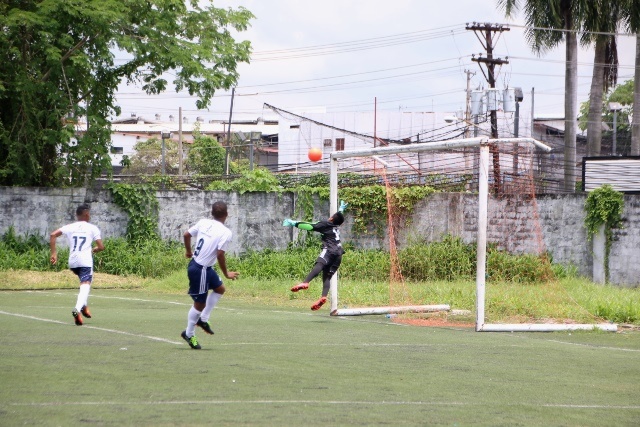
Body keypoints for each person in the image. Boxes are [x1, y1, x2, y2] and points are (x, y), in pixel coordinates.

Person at [181, 201, 239, 350]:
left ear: (212, 213)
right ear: (227, 214)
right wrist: (226, 273)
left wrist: (188, 251)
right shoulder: (226, 232)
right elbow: (220, 254)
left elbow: (186, 234)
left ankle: (203, 319)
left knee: (220, 289)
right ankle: (189, 333)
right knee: (199, 304)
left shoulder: (203, 222)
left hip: (204, 267)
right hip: (200, 269)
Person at [282, 201, 347, 311]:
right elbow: (338, 217)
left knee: (320, 264)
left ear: (331, 219)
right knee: (327, 276)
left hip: (329, 250)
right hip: (339, 254)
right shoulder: (336, 225)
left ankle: (306, 282)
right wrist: (341, 210)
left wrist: (294, 223)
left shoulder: (326, 224)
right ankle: (323, 297)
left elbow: (310, 226)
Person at [50, 203, 105, 326]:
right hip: (85, 261)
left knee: (85, 281)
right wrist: (96, 249)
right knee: (85, 284)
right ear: (87, 215)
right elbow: (101, 247)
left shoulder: (70, 227)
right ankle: (77, 308)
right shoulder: (92, 228)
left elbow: (53, 235)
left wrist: (53, 253)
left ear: (77, 215)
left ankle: (84, 306)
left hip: (73, 262)